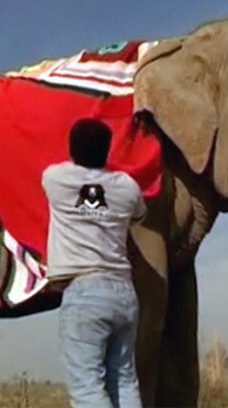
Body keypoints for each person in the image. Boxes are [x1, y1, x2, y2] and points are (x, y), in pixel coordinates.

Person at [42, 119, 146, 408]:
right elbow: (139, 216)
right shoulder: (127, 187)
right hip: (123, 293)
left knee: (87, 388)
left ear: (72, 149)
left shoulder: (55, 179)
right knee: (124, 381)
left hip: (84, 291)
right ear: (107, 150)